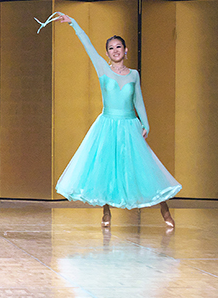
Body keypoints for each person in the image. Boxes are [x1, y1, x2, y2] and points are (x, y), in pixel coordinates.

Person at [50, 12, 179, 227]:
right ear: (107, 53)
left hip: (129, 125)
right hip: (107, 124)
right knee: (106, 167)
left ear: (126, 50)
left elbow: (138, 100)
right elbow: (88, 46)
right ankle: (106, 211)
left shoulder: (134, 74)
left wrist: (145, 123)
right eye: (111, 48)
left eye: (119, 47)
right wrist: (74, 23)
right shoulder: (103, 68)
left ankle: (165, 210)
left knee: (144, 167)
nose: (115, 50)